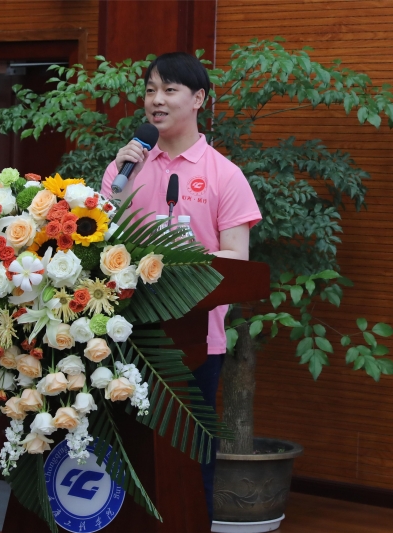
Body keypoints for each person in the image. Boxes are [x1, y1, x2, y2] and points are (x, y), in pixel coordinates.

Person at [101, 51, 262, 524]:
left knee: (190, 460)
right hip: (122, 337)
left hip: (194, 342)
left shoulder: (224, 174)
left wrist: (177, 263)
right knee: (127, 453)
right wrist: (119, 185)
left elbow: (237, 259)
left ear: (198, 99)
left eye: (169, 90)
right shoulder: (123, 169)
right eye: (151, 90)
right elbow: (97, 241)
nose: (157, 100)